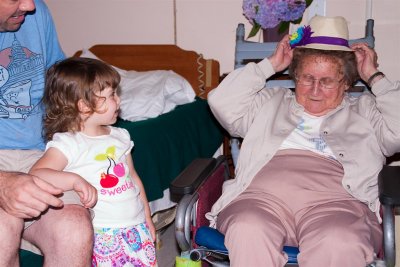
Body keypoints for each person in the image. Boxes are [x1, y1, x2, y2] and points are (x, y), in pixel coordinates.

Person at [206, 15, 400, 267]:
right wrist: (269, 65)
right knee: (247, 229)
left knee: (339, 241)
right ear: (295, 76)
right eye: (307, 78)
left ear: (347, 83)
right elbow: (221, 101)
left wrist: (375, 77)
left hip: (339, 204)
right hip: (260, 198)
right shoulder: (270, 102)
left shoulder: (365, 110)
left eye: (327, 81)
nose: (315, 90)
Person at [30, 57, 158, 267]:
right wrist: (73, 180)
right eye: (109, 96)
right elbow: (37, 173)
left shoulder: (120, 136)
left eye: (115, 94)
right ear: (83, 106)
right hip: (102, 234)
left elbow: (133, 178)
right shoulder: (68, 143)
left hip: (135, 229)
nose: (118, 101)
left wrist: (147, 218)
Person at [0, 0, 93, 266]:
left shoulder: (36, 12)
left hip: (37, 156)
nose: (29, 5)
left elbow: (59, 83)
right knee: (2, 231)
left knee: (74, 228)